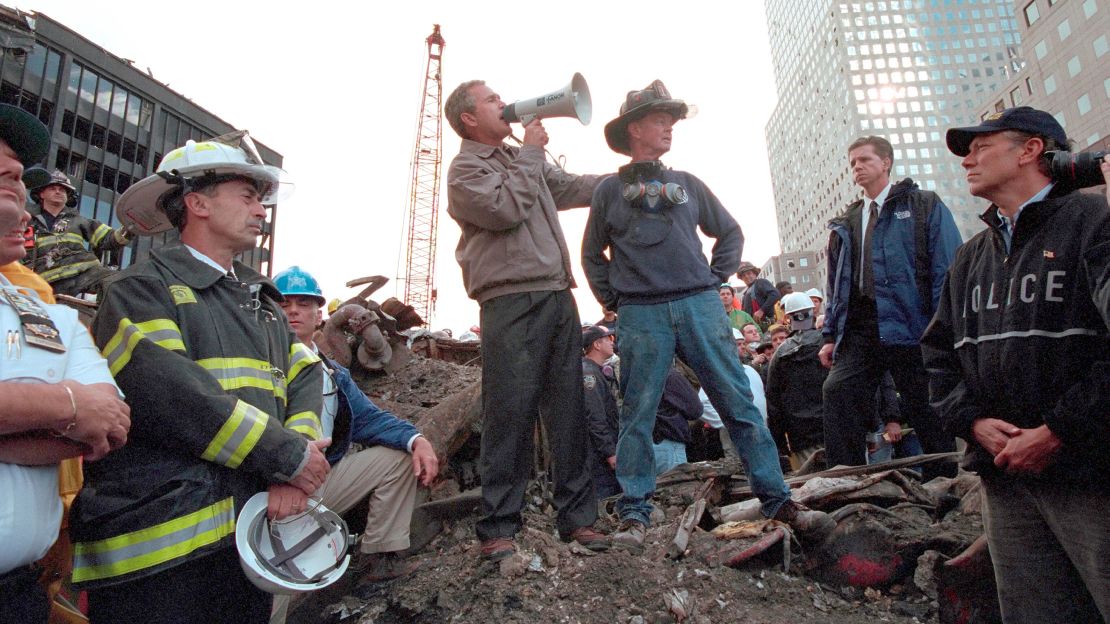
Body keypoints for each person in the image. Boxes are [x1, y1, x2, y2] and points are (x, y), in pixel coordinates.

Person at [70, 134, 328, 624]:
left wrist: (295, 468)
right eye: (247, 196)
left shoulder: (262, 304)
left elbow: (306, 375)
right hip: (158, 552)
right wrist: (288, 457)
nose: (260, 210)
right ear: (197, 203)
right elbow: (169, 393)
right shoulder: (141, 290)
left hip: (247, 538)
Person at [583, 79, 832, 553]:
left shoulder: (688, 185)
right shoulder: (609, 192)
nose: (669, 129)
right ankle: (635, 510)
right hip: (641, 313)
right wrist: (615, 301)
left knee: (738, 403)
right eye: (660, 120)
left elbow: (730, 232)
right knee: (637, 413)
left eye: (672, 122)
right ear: (634, 127)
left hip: (698, 305)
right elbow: (592, 255)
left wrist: (712, 280)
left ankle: (777, 499)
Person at [922, 107, 1110, 623]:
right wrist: (974, 423)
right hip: (1005, 482)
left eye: (982, 147)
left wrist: (1058, 429)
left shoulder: (1094, 223)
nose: (968, 160)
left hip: (1088, 470)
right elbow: (938, 357)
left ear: (1030, 150)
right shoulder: (971, 257)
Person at [444, 79, 608, 561]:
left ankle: (579, 520)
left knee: (569, 410)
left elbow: (573, 188)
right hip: (510, 303)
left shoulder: (519, 158)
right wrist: (532, 154)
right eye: (492, 99)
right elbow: (503, 209)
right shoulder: (464, 169)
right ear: (469, 118)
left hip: (557, 295)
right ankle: (499, 525)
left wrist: (624, 180)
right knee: (509, 414)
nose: (504, 103)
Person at [0, 103, 131, 624]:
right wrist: (69, 406)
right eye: (9, 177)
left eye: (25, 183)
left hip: (19, 595)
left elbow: (107, 422)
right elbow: (84, 413)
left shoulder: (46, 311)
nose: (28, 195)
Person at [820, 134, 962, 480]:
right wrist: (829, 335)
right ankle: (845, 479)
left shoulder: (922, 205)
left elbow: (947, 267)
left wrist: (943, 326)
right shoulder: (847, 221)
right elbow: (836, 284)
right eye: (852, 162)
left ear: (886, 163)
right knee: (838, 391)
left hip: (914, 323)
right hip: (861, 326)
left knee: (925, 404)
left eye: (865, 160)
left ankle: (944, 481)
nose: (857, 167)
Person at [22, 168, 131, 297]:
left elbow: (109, 239)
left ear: (68, 197)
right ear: (41, 194)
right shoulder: (25, 221)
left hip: (84, 274)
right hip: (44, 283)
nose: (58, 191)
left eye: (62, 190)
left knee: (121, 283)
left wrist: (131, 228)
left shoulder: (79, 221)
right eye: (52, 188)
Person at [765, 293, 827, 469]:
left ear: (788, 318)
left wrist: (781, 444)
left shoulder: (780, 355)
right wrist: (870, 428)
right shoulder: (828, 344)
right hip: (839, 426)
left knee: (814, 489)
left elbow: (773, 403)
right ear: (812, 312)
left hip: (802, 436)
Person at [581, 324, 620, 499]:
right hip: (597, 458)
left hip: (599, 454)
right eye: (608, 339)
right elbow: (595, 416)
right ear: (597, 344)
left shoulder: (594, 371)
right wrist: (610, 452)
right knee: (605, 499)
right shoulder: (589, 374)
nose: (613, 343)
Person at [736, 261, 781, 330]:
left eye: (749, 273)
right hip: (754, 328)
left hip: (766, 326)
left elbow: (775, 294)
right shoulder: (745, 294)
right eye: (743, 275)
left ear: (755, 274)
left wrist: (761, 310)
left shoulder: (761, 283)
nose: (746, 276)